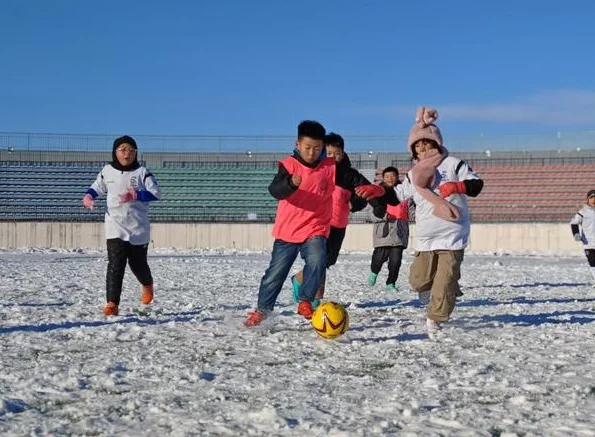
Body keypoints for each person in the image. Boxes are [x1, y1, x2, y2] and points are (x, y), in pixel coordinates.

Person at [244, 122, 390, 327]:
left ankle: (305, 300)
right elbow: (275, 190)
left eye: (317, 148)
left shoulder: (331, 167)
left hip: (316, 227)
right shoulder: (288, 165)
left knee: (319, 260)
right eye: (307, 148)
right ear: (298, 144)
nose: (312, 152)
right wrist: (290, 184)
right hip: (288, 230)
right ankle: (262, 310)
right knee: (276, 272)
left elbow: (358, 183)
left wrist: (375, 200)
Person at [396, 107, 484, 334]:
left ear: (436, 143)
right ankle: (448, 286)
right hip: (426, 236)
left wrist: (458, 186)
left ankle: (435, 317)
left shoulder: (453, 164)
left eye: (427, 143)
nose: (423, 148)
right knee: (418, 280)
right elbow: (399, 194)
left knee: (443, 280)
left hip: (452, 234)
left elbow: (477, 184)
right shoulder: (413, 173)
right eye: (418, 145)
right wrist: (377, 193)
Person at [289, 133, 396, 307]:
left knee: (327, 261)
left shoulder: (350, 175)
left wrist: (359, 203)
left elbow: (366, 191)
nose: (332, 157)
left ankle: (298, 279)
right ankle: (315, 298)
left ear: (343, 153)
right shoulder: (317, 169)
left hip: (338, 224)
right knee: (320, 261)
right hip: (318, 223)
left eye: (336, 153)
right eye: (329, 153)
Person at [82, 135, 161, 316]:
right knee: (115, 264)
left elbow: (156, 193)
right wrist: (88, 197)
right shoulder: (107, 170)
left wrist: (137, 195)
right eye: (123, 150)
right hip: (114, 225)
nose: (127, 154)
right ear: (115, 152)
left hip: (138, 228)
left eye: (131, 151)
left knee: (138, 264)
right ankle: (112, 303)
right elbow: (96, 187)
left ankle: (147, 284)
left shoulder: (142, 172)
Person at [367, 166, 410, 292]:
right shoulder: (377, 193)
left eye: (393, 176)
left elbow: (411, 209)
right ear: (383, 178)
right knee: (379, 257)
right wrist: (384, 215)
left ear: (397, 177)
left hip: (399, 232)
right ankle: (374, 273)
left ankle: (390, 283)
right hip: (383, 232)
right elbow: (370, 214)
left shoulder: (404, 193)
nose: (390, 179)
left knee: (396, 261)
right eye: (387, 176)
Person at [570, 190, 595, 286]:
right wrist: (576, 234)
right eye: (591, 197)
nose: (594, 200)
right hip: (588, 243)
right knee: (593, 263)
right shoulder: (583, 212)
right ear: (588, 199)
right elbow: (574, 223)